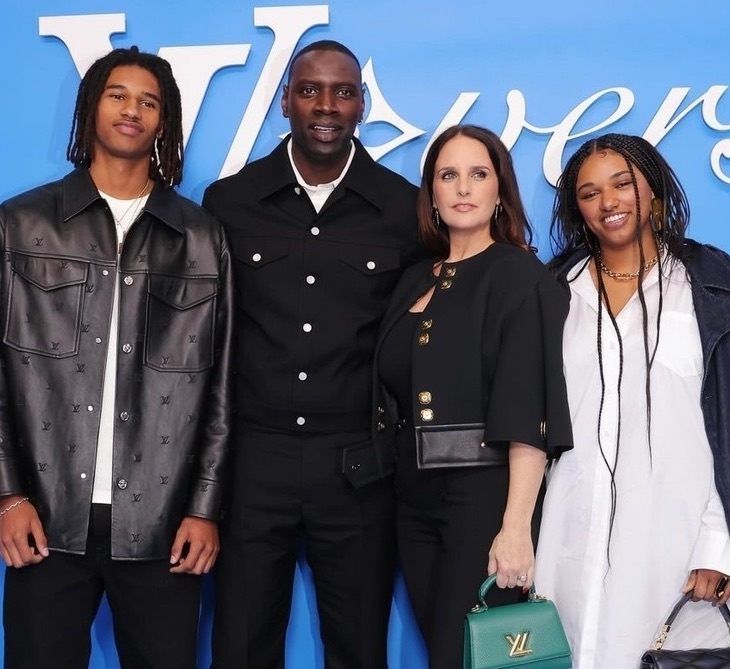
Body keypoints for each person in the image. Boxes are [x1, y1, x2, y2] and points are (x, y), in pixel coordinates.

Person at [0, 47, 233, 668]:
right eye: (118, 95)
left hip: (163, 525)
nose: (132, 110)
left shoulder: (201, 237)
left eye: (149, 102)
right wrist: (7, 496)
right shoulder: (20, 225)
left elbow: (221, 386)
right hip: (45, 518)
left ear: (164, 121)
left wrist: (203, 508)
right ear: (90, 108)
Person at [203, 40, 420, 668]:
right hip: (253, 463)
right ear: (285, 102)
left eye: (343, 92)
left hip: (358, 467)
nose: (326, 105)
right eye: (310, 90)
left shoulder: (403, 208)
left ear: (362, 105)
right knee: (241, 646)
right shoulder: (230, 202)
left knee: (358, 648)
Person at [370, 124, 573, 667]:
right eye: (448, 175)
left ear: (500, 190)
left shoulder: (519, 275)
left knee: (468, 656)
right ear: (432, 194)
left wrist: (515, 528)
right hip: (412, 500)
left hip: (483, 500)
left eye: (478, 174)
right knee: (447, 654)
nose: (463, 187)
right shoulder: (414, 278)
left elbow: (529, 407)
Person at [536, 133, 730, 667]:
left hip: (678, 540)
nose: (608, 202)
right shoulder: (554, 290)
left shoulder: (710, 286)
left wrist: (717, 543)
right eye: (590, 193)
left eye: (622, 183)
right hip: (567, 531)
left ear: (655, 192)